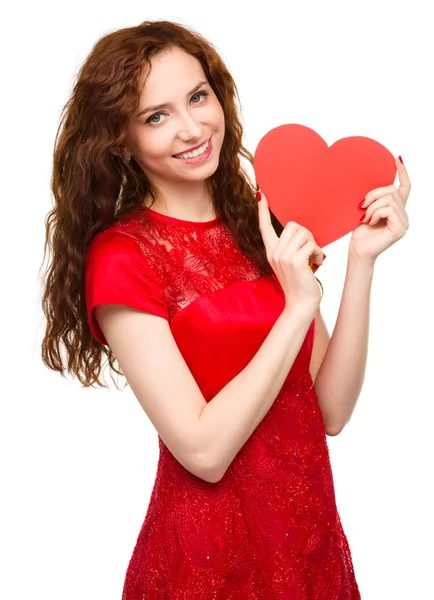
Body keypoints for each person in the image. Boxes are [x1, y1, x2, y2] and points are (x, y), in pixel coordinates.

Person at [40, 19, 411, 599]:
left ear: (219, 94)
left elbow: (330, 411)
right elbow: (204, 451)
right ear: (120, 138)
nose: (191, 128)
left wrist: (361, 261)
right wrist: (294, 310)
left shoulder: (258, 216)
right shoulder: (123, 256)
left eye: (197, 97)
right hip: (207, 560)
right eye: (155, 116)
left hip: (308, 541)